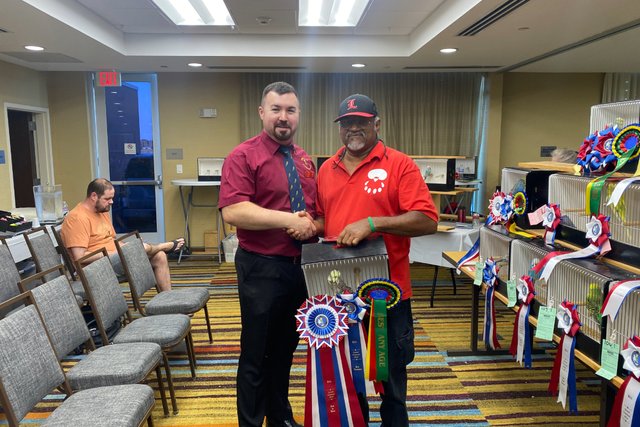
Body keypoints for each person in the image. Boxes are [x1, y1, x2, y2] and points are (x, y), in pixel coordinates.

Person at [313, 94, 438, 426]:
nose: (354, 128)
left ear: (377, 124)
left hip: (387, 295)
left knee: (391, 380)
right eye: (347, 123)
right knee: (344, 377)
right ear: (340, 128)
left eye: (362, 122)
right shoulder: (326, 169)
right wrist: (305, 225)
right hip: (338, 294)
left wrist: (373, 223)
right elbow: (327, 219)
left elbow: (427, 220)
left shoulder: (399, 164)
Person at [219, 81, 316, 427]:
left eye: (290, 110)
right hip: (261, 268)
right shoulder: (243, 156)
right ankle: (250, 422)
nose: (283, 117)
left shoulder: (304, 160)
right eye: (276, 109)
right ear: (262, 113)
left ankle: (279, 417)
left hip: (298, 269)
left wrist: (312, 225)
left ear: (298, 115)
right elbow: (233, 211)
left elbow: (312, 213)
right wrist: (289, 220)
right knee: (256, 355)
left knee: (284, 351)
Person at [60, 178, 184, 292]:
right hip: (95, 269)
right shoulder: (77, 218)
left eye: (112, 198)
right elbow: (79, 258)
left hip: (114, 259)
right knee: (143, 248)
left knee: (159, 256)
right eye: (107, 199)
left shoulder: (101, 211)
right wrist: (113, 253)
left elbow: (111, 241)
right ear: (93, 196)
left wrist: (126, 247)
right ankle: (164, 246)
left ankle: (168, 301)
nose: (111, 202)